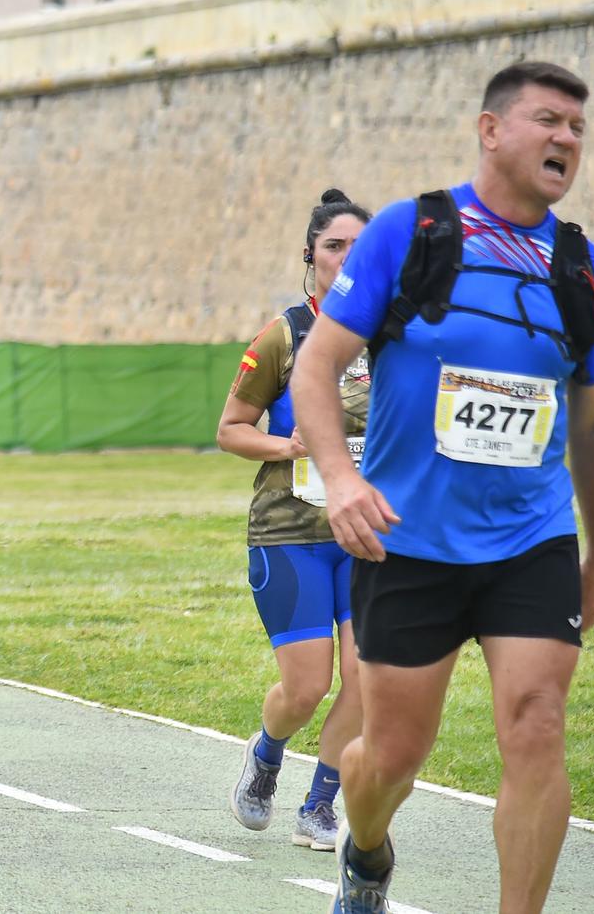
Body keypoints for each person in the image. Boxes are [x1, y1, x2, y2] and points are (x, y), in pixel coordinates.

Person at [291, 62, 594, 914]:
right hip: (409, 537)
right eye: (549, 120)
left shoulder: (582, 270)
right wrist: (340, 477)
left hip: (531, 537)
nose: (566, 140)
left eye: (578, 128)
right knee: (386, 758)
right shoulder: (412, 232)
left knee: (538, 725)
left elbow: (593, 420)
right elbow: (316, 364)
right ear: (490, 129)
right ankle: (365, 850)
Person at [217, 190, 373, 852]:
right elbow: (229, 429)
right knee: (307, 684)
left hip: (365, 534)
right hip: (290, 533)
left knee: (368, 677)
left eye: (359, 248)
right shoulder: (285, 334)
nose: (345, 258)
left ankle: (319, 805)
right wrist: (290, 446)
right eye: (334, 245)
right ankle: (267, 753)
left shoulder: (392, 337)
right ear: (310, 255)